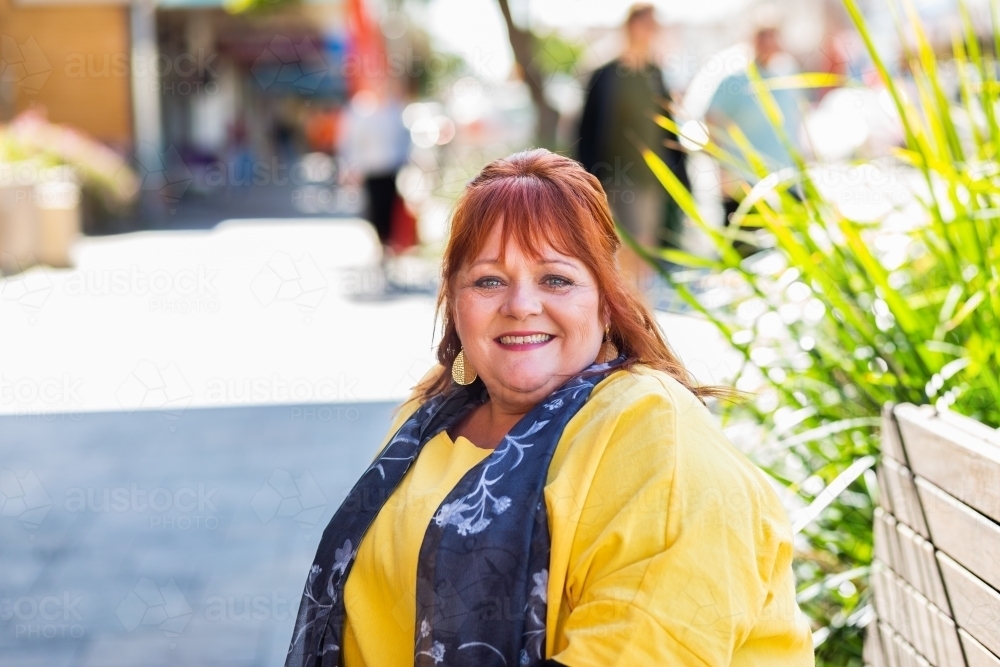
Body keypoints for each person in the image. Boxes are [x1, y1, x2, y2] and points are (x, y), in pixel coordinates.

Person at [285, 149, 814, 667]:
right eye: (489, 280)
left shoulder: (654, 431)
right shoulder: (428, 415)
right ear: (453, 299)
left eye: (556, 279)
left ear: (606, 300)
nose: (520, 305)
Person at [577, 3, 689, 294]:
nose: (651, 32)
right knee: (624, 245)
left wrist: (680, 170)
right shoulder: (606, 74)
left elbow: (668, 125)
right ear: (631, 26)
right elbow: (586, 128)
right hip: (613, 175)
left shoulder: (655, 73)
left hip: (651, 176)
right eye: (646, 24)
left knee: (646, 244)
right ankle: (630, 310)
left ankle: (642, 309)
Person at [706, 11, 807, 233]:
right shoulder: (734, 80)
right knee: (747, 251)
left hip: (786, 177)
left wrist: (805, 160)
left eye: (773, 35)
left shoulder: (787, 74)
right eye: (763, 36)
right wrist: (723, 171)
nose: (769, 42)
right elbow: (712, 122)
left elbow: (796, 120)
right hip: (746, 183)